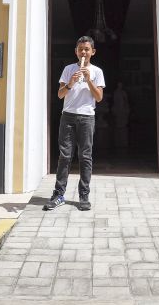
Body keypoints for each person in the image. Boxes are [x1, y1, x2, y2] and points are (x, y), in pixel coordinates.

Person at [43, 36, 105, 211]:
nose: (83, 52)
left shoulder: (97, 71)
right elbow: (60, 95)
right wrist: (70, 83)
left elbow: (99, 97)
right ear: (76, 52)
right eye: (80, 49)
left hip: (86, 118)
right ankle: (58, 194)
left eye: (86, 49)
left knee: (85, 157)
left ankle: (83, 196)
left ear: (92, 52)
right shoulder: (68, 69)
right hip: (68, 117)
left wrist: (88, 79)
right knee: (65, 156)